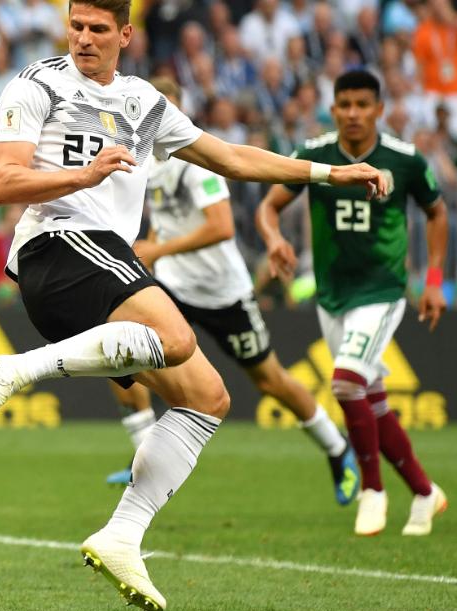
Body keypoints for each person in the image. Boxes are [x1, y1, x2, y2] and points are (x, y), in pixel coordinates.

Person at [0, 0, 389, 611]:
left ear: (126, 35)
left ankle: (122, 534)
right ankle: (12, 369)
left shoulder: (143, 102)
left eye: (98, 30)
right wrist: (82, 178)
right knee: (177, 337)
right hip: (57, 244)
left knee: (207, 396)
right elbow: (2, 182)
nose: (83, 39)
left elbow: (234, 158)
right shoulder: (38, 84)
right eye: (76, 27)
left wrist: (328, 174)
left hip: (99, 258)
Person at [101, 78, 360, 508]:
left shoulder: (193, 161)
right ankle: (145, 455)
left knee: (270, 379)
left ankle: (337, 449)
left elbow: (221, 227)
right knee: (119, 348)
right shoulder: (146, 160)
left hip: (223, 292)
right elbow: (165, 222)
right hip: (173, 285)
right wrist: (150, 248)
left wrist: (159, 248)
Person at [256, 69, 450, 537]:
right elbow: (268, 205)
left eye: (363, 105)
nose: (353, 114)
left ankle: (373, 491)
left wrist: (434, 280)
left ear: (379, 109)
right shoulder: (316, 155)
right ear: (333, 108)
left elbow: (437, 212)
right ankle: (426, 494)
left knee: (344, 383)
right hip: (332, 295)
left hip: (382, 291)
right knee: (370, 398)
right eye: (344, 104)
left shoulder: (403, 160)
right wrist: (273, 237)